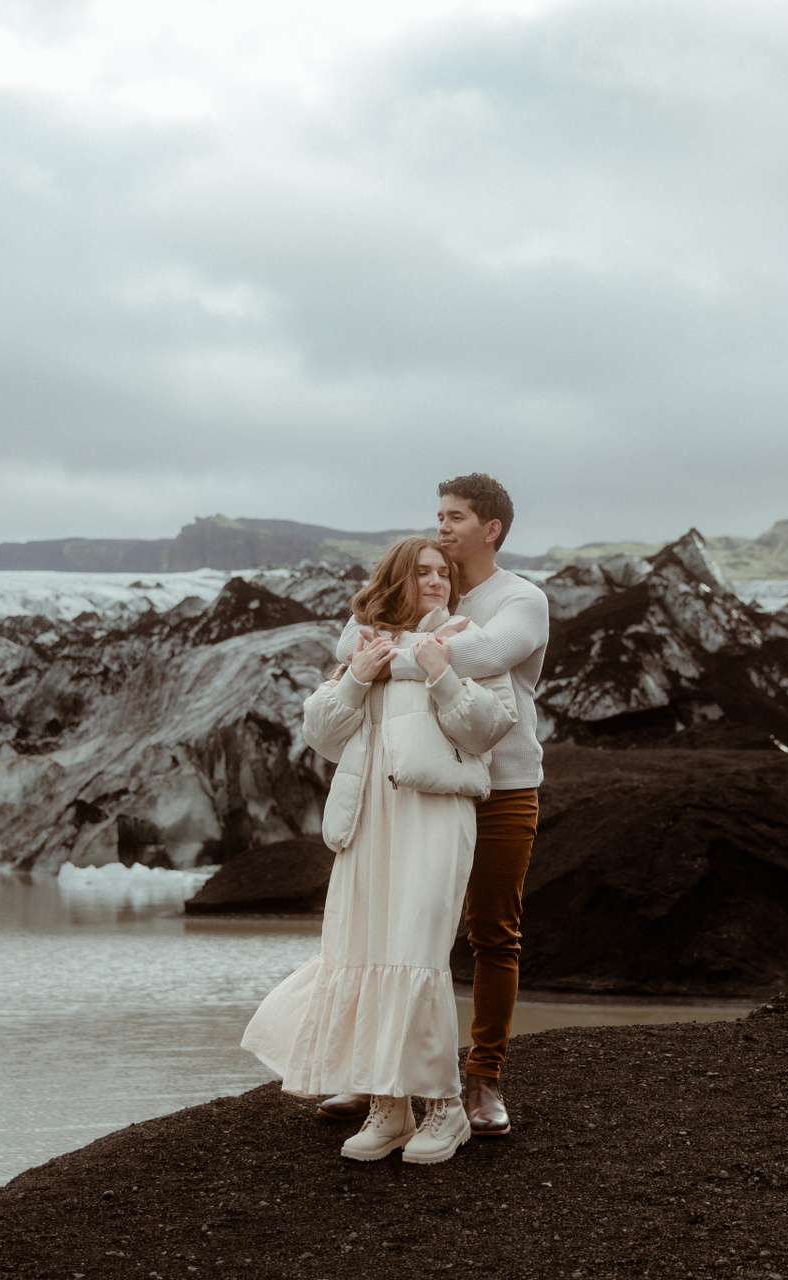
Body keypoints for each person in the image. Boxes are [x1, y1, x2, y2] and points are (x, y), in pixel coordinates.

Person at [242, 536, 517, 1165]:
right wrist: (356, 680)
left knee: (417, 954)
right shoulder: (367, 645)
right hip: (367, 817)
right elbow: (321, 735)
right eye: (421, 572)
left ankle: (444, 1108)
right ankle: (389, 1108)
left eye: (443, 572)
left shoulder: (467, 641)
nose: (436, 581)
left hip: (433, 815)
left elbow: (489, 730)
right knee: (364, 949)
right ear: (396, 580)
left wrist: (443, 673)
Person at [318, 473, 549, 1138]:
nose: (442, 527)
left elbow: (482, 653)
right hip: (426, 787)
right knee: (400, 930)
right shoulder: (419, 581)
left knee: (492, 932)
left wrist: (389, 654)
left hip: (503, 785)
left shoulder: (521, 599)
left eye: (455, 517)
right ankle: (380, 1075)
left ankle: (483, 1078)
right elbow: (346, 646)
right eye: (439, 515)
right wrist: (405, 651)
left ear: (491, 529)